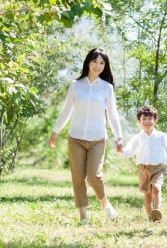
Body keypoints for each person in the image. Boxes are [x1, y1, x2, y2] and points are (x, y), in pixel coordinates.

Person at [49, 48, 123, 226]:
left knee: (94, 176)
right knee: (78, 177)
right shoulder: (76, 85)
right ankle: (83, 218)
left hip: (98, 138)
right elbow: (66, 110)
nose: (98, 66)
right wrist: (55, 130)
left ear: (105, 66)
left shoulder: (107, 88)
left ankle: (106, 205)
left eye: (102, 63)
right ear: (88, 63)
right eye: (95, 62)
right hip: (76, 137)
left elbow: (112, 115)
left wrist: (119, 137)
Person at [119, 105, 167, 223]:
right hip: (144, 169)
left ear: (155, 120)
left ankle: (157, 210)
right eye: (144, 119)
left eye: (150, 118)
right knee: (147, 196)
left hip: (158, 168)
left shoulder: (161, 136)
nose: (147, 121)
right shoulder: (137, 137)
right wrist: (120, 150)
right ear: (139, 122)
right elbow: (129, 151)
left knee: (156, 188)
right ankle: (151, 217)